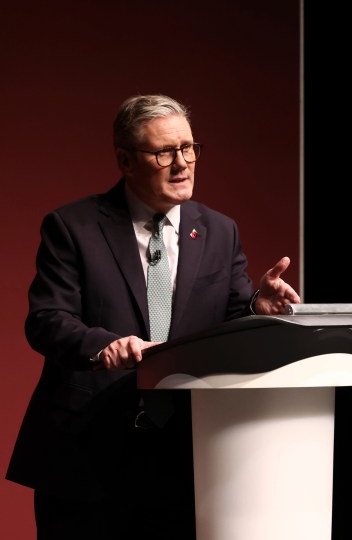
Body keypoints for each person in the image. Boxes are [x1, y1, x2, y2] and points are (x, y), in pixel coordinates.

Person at [5, 94, 301, 539]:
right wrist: (103, 346)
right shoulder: (73, 227)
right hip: (87, 455)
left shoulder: (220, 230)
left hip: (184, 455)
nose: (182, 163)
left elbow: (231, 313)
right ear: (125, 160)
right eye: (164, 152)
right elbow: (46, 318)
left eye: (189, 148)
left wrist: (258, 305)